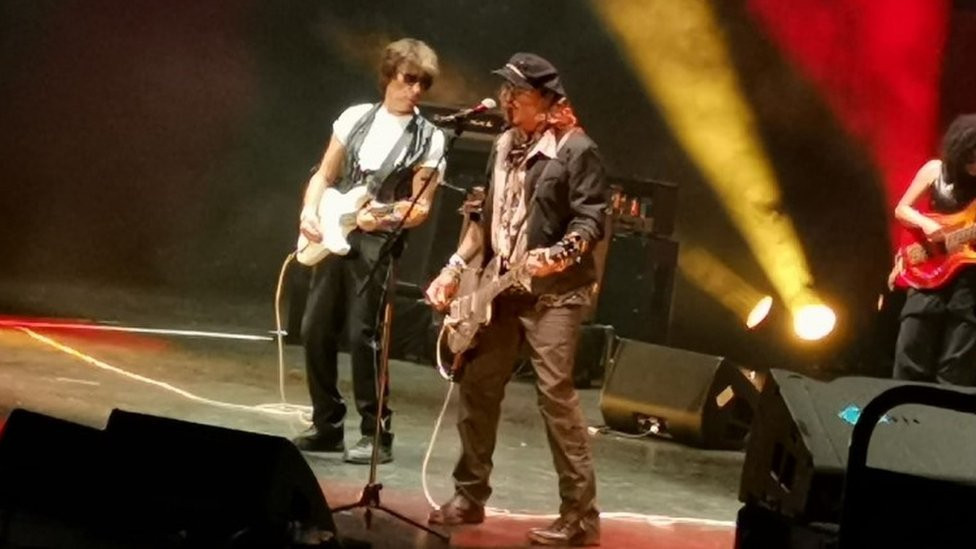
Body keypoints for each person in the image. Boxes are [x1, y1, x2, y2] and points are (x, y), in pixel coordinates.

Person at [425, 52, 605, 546]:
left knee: (555, 396)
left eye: (518, 92)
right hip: (502, 288)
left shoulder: (576, 149)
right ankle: (469, 494)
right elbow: (485, 222)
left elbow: (591, 221)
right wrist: (453, 269)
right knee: (478, 385)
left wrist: (561, 254)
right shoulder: (503, 144)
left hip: (555, 294)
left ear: (547, 100)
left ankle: (580, 517)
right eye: (505, 90)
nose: (506, 99)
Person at [292, 38, 445, 464]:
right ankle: (327, 424)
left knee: (364, 335)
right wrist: (309, 211)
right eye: (408, 79)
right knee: (314, 328)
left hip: (377, 238)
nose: (415, 90)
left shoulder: (429, 139)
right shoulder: (356, 118)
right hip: (335, 228)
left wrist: (386, 217)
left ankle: (376, 432)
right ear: (388, 76)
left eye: (423, 84)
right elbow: (326, 173)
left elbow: (421, 208)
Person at [892, 114, 976, 385]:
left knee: (957, 361)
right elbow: (902, 209)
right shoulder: (934, 171)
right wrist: (925, 224)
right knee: (912, 348)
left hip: (969, 279)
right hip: (929, 267)